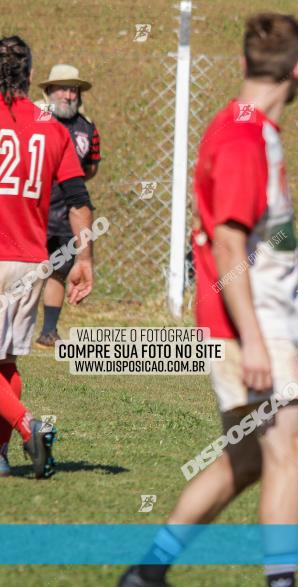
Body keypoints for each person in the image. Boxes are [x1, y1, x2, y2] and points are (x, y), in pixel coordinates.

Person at [119, 13, 298, 587]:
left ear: (243, 64)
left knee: (249, 458)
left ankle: (148, 571)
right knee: (290, 452)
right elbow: (229, 243)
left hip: (250, 324)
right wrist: (252, 340)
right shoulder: (243, 136)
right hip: (250, 329)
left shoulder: (247, 127)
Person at [0, 36, 95, 477]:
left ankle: (27, 426)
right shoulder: (53, 129)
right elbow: (77, 198)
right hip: (31, 261)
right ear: (31, 77)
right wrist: (84, 258)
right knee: (6, 363)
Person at [34, 64, 101, 347]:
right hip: (32, 208)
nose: (68, 95)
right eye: (62, 88)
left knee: (58, 271)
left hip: (66, 213)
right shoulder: (36, 121)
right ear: (49, 91)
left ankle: (48, 331)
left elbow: (92, 167)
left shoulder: (87, 129)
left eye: (73, 89)